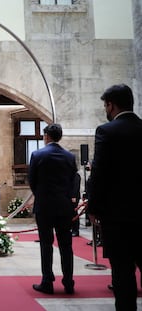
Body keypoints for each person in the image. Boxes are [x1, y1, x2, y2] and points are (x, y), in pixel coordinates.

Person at [87, 84, 142, 310]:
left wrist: (93, 207)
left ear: (111, 104)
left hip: (118, 217)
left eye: (105, 105)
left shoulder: (107, 131)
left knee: (123, 273)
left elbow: (99, 173)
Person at [28, 123, 77, 295]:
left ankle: (47, 282)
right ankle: (69, 282)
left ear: (47, 136)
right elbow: (73, 180)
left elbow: (32, 181)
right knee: (66, 245)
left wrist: (41, 195)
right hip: (64, 207)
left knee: (46, 245)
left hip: (45, 206)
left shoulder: (37, 155)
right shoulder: (70, 157)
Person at [71, 172, 81, 237]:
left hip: (74, 197)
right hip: (69, 197)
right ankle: (72, 228)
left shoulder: (75, 175)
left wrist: (73, 196)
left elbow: (75, 186)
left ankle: (75, 230)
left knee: (74, 213)